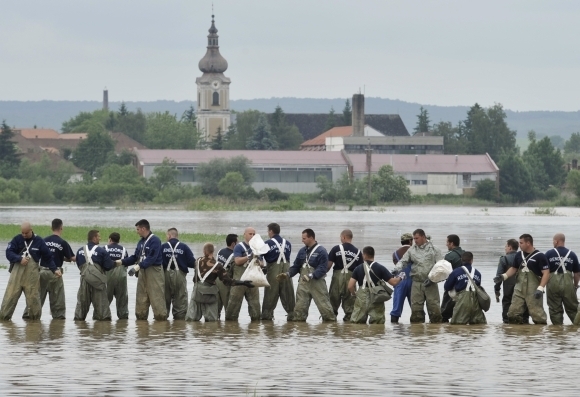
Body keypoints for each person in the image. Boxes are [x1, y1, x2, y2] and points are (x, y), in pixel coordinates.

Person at [1, 222, 59, 321]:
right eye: (22, 233)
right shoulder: (17, 239)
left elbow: (48, 257)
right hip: (16, 277)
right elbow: (9, 252)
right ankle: (4, 320)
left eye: (26, 233)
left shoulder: (39, 241)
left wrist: (55, 269)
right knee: (9, 298)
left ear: (31, 230)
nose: (24, 235)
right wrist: (19, 259)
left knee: (34, 300)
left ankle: (34, 324)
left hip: (32, 277)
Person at [277, 229, 336, 322]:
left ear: (311, 238)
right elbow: (296, 266)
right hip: (303, 284)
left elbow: (323, 268)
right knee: (299, 310)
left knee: (326, 309)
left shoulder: (322, 251)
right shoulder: (302, 251)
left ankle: (330, 326)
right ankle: (301, 330)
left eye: (304, 238)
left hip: (317, 284)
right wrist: (287, 274)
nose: (302, 240)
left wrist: (311, 275)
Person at [186, 243, 253, 321]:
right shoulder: (218, 266)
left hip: (196, 293)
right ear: (213, 251)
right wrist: (243, 282)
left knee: (191, 320)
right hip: (210, 295)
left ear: (204, 251)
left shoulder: (198, 261)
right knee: (212, 321)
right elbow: (228, 282)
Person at [24, 218, 74, 320]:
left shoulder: (43, 241)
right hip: (56, 273)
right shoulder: (63, 242)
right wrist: (64, 258)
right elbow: (73, 258)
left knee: (37, 297)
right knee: (57, 301)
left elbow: (36, 255)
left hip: (41, 272)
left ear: (51, 228)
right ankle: (58, 322)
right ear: (61, 228)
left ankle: (29, 317)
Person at [493, 234, 550, 324]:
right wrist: (503, 277)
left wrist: (540, 288)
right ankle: (518, 334)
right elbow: (513, 268)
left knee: (538, 316)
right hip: (519, 289)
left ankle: (538, 336)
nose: (519, 245)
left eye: (521, 243)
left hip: (534, 291)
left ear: (528, 243)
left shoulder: (540, 256)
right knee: (512, 314)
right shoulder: (519, 255)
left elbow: (546, 273)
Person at [119, 219, 167, 321]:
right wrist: (121, 262)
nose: (137, 231)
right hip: (142, 272)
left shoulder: (155, 240)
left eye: (138, 229)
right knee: (141, 298)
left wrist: (136, 267)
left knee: (156, 298)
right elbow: (135, 257)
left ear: (143, 228)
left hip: (154, 272)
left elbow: (151, 258)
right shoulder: (141, 242)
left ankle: (160, 322)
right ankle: (141, 324)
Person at [393, 229, 443, 323]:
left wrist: (434, 279)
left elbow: (441, 266)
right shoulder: (411, 250)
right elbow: (403, 261)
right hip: (416, 283)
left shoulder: (434, 249)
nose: (415, 241)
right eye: (414, 238)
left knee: (434, 309)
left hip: (430, 283)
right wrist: (396, 269)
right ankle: (417, 332)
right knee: (416, 310)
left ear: (423, 237)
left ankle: (435, 332)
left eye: (417, 238)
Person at [348, 246, 403, 324]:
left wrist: (354, 294)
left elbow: (350, 286)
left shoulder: (358, 268)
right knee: (378, 324)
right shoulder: (380, 268)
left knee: (357, 323)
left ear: (364, 255)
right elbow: (393, 282)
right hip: (376, 297)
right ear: (373, 255)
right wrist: (400, 277)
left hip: (361, 298)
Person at [74, 229, 115, 321]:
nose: (100, 238)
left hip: (84, 280)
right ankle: (101, 328)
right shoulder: (102, 251)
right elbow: (108, 266)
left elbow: (79, 265)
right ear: (94, 238)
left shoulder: (80, 250)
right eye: (99, 236)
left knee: (81, 304)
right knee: (102, 309)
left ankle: (80, 325)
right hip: (98, 282)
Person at [225, 227, 261, 321]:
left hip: (253, 280)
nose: (252, 236)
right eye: (250, 234)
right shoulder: (239, 246)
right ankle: (231, 329)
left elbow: (262, 263)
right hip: (239, 281)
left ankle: (254, 329)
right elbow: (237, 261)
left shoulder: (257, 247)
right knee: (233, 307)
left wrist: (258, 261)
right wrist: (249, 257)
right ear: (244, 234)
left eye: (254, 234)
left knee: (255, 307)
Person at [327, 229, 363, 322]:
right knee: (350, 303)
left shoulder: (336, 248)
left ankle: (331, 323)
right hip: (351, 278)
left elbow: (328, 265)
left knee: (333, 302)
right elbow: (360, 270)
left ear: (343, 237)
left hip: (337, 277)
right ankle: (348, 327)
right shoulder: (358, 252)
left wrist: (320, 275)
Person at [261, 223, 295, 321]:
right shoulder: (288, 243)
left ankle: (267, 317)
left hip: (273, 270)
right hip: (286, 270)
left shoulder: (267, 243)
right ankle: (292, 317)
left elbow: (260, 257)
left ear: (271, 231)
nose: (268, 233)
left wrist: (262, 265)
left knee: (270, 294)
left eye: (268, 231)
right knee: (288, 293)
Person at [544, 233, 580, 325]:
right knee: (573, 308)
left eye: (553, 241)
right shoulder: (572, 254)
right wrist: (575, 286)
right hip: (568, 285)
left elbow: (544, 271)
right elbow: (577, 273)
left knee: (555, 309)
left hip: (553, 285)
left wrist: (542, 286)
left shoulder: (549, 253)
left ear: (556, 241)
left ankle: (557, 331)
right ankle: (577, 329)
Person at [443, 251, 486, 325]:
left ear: (461, 260)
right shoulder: (478, 273)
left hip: (462, 303)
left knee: (457, 326)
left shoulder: (455, 272)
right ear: (472, 260)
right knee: (479, 326)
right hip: (475, 304)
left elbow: (447, 287)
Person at [161, 228, 195, 320]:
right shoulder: (184, 247)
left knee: (164, 301)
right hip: (180, 276)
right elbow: (192, 263)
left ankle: (163, 325)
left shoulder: (163, 247)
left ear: (169, 235)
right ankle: (179, 326)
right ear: (177, 236)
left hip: (165, 276)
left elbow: (157, 262)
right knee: (181, 302)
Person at [494, 239, 529, 324]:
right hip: (523, 287)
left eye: (506, 246)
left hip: (508, 289)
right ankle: (525, 322)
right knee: (523, 304)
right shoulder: (524, 258)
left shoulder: (504, 259)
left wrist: (497, 289)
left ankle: (507, 323)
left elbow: (499, 277)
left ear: (510, 247)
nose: (505, 248)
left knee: (507, 303)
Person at [389, 233, 413, 323]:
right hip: (412, 282)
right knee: (416, 309)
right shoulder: (414, 251)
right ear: (410, 241)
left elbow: (397, 266)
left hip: (399, 281)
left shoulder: (395, 254)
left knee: (396, 309)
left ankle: (395, 329)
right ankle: (417, 330)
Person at [440, 234, 465, 322]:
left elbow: (444, 272)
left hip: (452, 285)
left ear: (452, 243)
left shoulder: (449, 256)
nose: (446, 244)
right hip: (464, 285)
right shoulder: (465, 254)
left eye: (447, 242)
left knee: (444, 311)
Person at [105, 232, 129, 320]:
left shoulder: (105, 248)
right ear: (118, 240)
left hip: (108, 276)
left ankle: (103, 319)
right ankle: (123, 320)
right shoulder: (123, 249)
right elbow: (126, 263)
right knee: (122, 299)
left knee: (105, 298)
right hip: (121, 276)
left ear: (110, 239)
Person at [215, 234, 238, 319]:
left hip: (216, 279)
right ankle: (229, 326)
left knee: (217, 304)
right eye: (237, 242)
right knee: (227, 304)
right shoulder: (234, 255)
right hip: (225, 281)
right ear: (233, 244)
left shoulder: (220, 251)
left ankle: (216, 323)